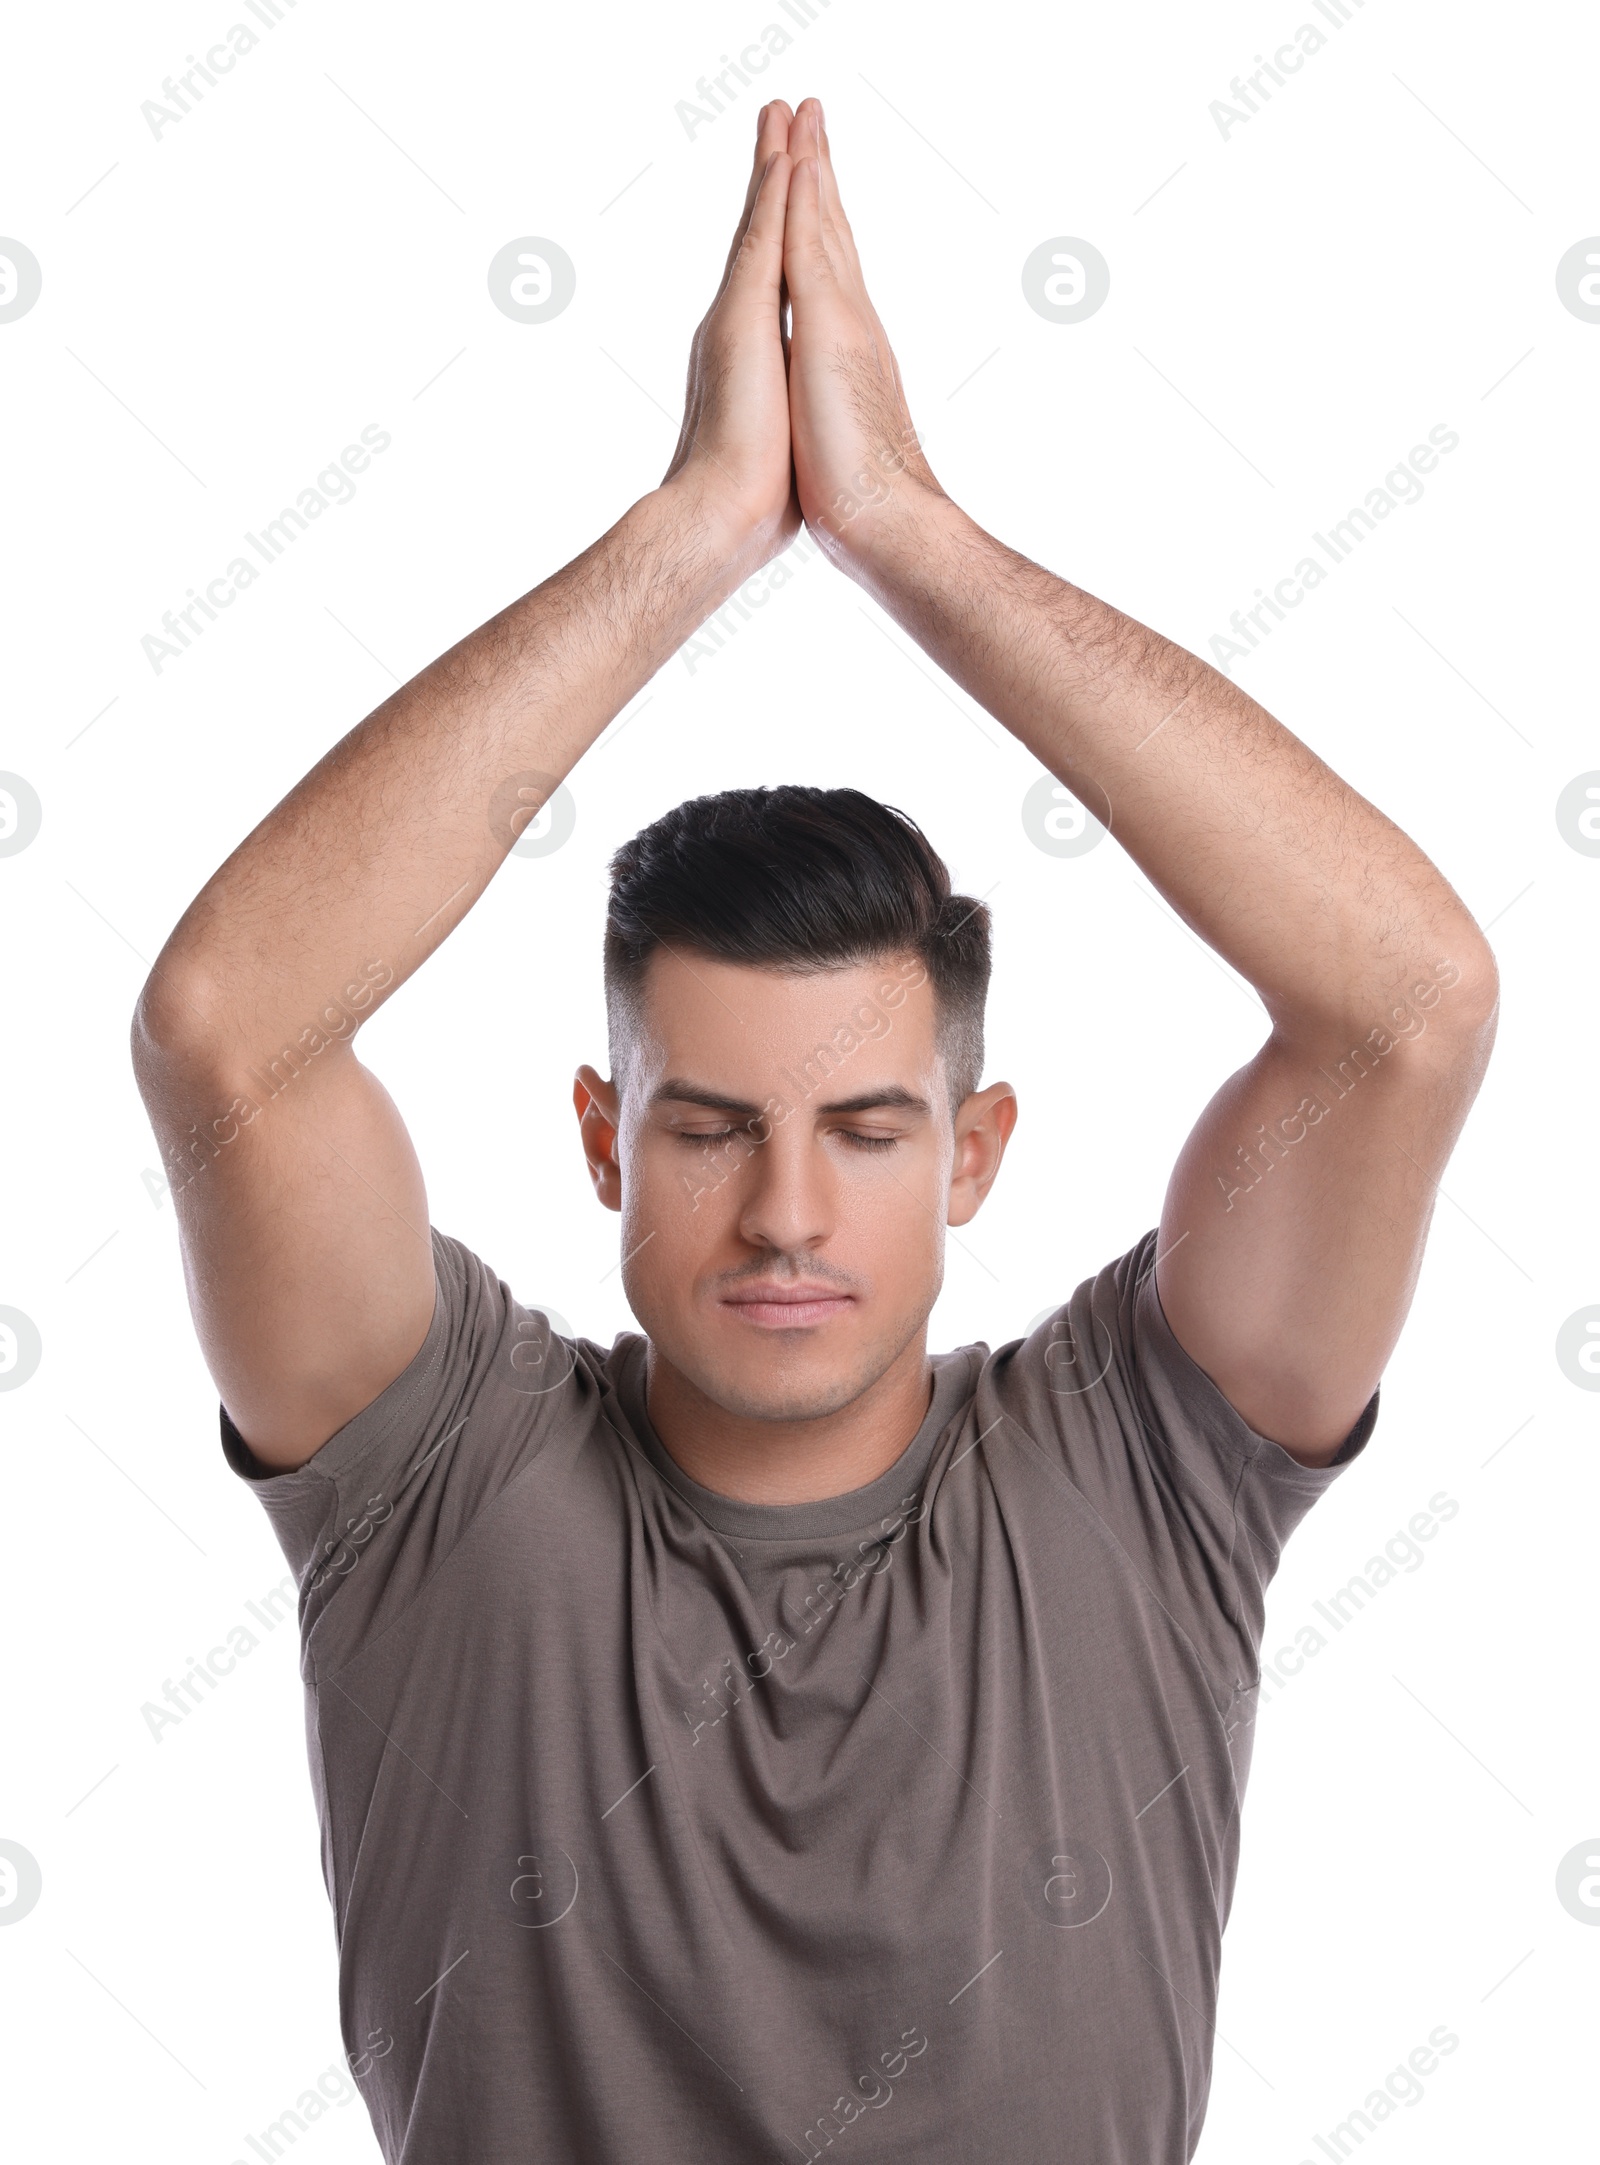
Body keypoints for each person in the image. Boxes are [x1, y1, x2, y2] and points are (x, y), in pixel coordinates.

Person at [132, 96, 1498, 2165]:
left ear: (971, 1150)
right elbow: (228, 1032)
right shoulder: (443, 1485)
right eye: (705, 1132)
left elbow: (1406, 1011)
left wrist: (906, 534)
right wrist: (694, 528)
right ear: (601, 1138)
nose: (785, 1211)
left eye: (866, 1127)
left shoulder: (1134, 1477)